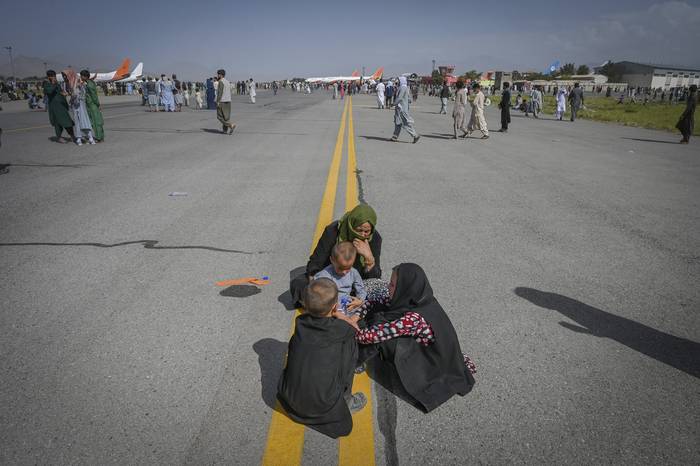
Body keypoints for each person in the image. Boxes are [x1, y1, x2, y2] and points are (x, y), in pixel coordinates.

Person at [354, 263, 476, 412]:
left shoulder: (414, 319)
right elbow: (379, 302)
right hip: (442, 353)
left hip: (431, 363)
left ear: (404, 288)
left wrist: (353, 330)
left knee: (382, 339)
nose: (388, 288)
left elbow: (374, 336)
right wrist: (360, 311)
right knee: (380, 313)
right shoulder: (421, 299)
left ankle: (354, 361)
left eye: (392, 285)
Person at [277, 278, 367, 438]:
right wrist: (340, 316)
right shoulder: (340, 329)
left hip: (289, 398)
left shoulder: (300, 324)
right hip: (322, 405)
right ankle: (346, 399)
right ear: (334, 306)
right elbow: (355, 329)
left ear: (305, 304)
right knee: (350, 344)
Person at [289, 204, 382, 306]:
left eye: (366, 231)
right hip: (329, 280)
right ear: (351, 225)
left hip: (355, 283)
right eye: (359, 230)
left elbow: (375, 277)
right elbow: (315, 264)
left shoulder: (374, 238)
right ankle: (326, 303)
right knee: (298, 284)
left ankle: (332, 305)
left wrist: (369, 258)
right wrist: (319, 288)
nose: (363, 235)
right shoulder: (333, 231)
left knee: (379, 290)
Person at [314, 242, 367, 315]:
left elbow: (361, 288)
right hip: (331, 308)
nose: (344, 272)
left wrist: (360, 300)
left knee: (366, 306)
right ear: (332, 260)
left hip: (348, 305)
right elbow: (316, 293)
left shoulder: (353, 272)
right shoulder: (325, 275)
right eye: (340, 268)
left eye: (348, 268)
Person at [43, 70, 75, 143]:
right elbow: (49, 91)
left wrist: (63, 93)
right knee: (58, 123)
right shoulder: (46, 84)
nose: (54, 77)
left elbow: (59, 91)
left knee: (68, 121)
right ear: (49, 77)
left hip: (61, 105)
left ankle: (72, 136)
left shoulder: (57, 83)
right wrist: (53, 83)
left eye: (54, 76)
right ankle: (59, 137)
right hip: (55, 106)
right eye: (52, 76)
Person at [65, 70, 95, 145]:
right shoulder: (69, 84)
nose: (65, 77)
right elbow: (72, 93)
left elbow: (80, 93)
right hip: (75, 105)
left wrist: (77, 88)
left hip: (81, 104)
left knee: (84, 120)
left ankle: (90, 137)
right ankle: (79, 138)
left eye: (65, 76)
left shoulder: (80, 83)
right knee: (77, 121)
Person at [391, 76, 420, 143]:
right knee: (398, 122)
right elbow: (409, 99)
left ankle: (415, 135)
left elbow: (400, 98)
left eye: (398, 80)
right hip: (401, 108)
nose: (397, 82)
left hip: (401, 109)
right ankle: (395, 136)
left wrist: (394, 103)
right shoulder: (405, 87)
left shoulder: (403, 87)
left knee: (405, 124)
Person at [81, 70, 104, 142]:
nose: (81, 77)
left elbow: (94, 96)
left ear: (85, 76)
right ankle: (100, 137)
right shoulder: (89, 83)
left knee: (95, 122)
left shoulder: (89, 85)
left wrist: (97, 104)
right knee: (95, 121)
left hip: (92, 105)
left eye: (82, 76)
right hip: (90, 105)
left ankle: (99, 138)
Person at [213, 69, 236, 135]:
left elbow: (220, 92)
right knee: (226, 117)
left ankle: (231, 125)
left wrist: (217, 101)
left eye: (218, 74)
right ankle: (225, 130)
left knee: (219, 116)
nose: (217, 75)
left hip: (222, 101)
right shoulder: (227, 82)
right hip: (228, 100)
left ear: (220, 75)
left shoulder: (221, 82)